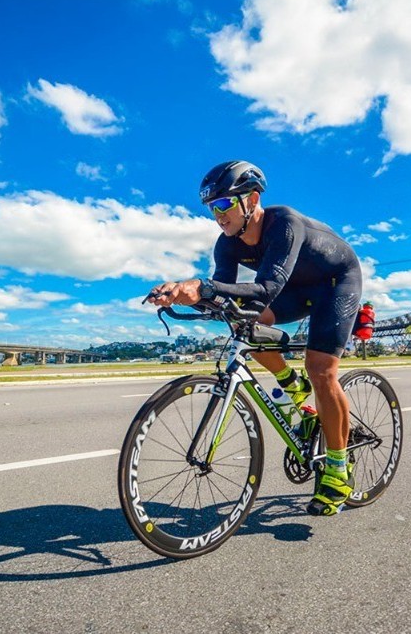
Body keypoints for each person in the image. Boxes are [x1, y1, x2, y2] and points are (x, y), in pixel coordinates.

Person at [148, 160, 363, 516]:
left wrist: (203, 287)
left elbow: (265, 288)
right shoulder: (227, 244)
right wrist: (182, 293)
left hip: (335, 284)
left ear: (252, 199)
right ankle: (292, 388)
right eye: (211, 208)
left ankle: (338, 470)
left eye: (223, 204)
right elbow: (227, 298)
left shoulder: (285, 225)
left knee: (321, 370)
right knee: (241, 321)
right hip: (295, 288)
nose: (217, 215)